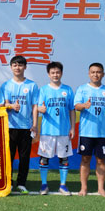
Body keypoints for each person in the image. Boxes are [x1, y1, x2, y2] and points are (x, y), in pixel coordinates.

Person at [73, 63, 105, 197]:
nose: (95, 74)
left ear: (103, 74)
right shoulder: (82, 89)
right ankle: (83, 188)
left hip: (103, 133)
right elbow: (76, 106)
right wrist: (84, 105)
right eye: (93, 72)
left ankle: (101, 188)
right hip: (86, 132)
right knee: (85, 159)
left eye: (98, 72)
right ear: (89, 74)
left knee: (101, 160)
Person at [1, 55, 38, 194]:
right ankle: (9, 183)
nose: (17, 67)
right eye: (15, 65)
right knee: (8, 157)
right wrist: (11, 106)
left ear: (25, 67)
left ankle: (21, 183)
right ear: (11, 67)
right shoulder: (6, 85)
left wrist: (35, 124)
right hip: (9, 126)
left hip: (26, 127)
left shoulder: (32, 85)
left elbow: (35, 106)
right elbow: (4, 104)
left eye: (20, 65)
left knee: (24, 157)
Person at [37, 61, 75, 196]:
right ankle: (44, 185)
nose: (55, 75)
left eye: (57, 72)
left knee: (64, 159)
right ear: (48, 74)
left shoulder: (68, 90)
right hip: (47, 131)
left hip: (64, 131)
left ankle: (63, 185)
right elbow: (38, 107)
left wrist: (72, 128)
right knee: (44, 158)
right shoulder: (43, 90)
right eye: (52, 73)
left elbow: (72, 110)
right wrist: (40, 109)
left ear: (62, 73)